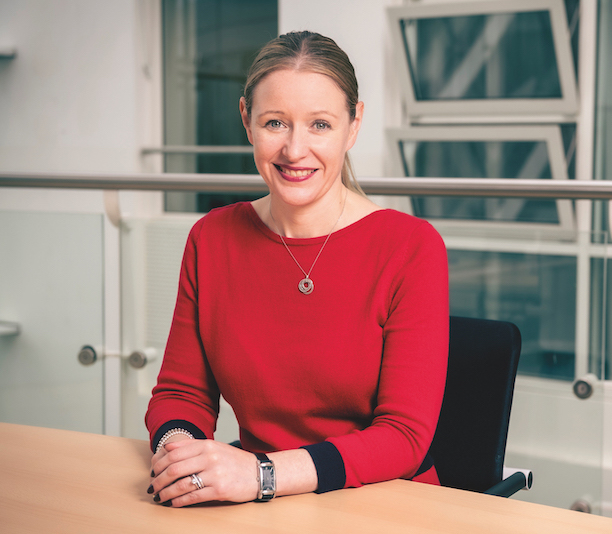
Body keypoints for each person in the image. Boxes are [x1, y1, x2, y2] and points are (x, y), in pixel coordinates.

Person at [145, 31, 449, 508]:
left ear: (354, 125)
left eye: (320, 125)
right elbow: (182, 393)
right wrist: (179, 452)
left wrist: (264, 474)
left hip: (386, 505)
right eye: (275, 123)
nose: (294, 149)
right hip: (257, 506)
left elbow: (403, 435)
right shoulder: (211, 238)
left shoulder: (411, 247)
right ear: (246, 119)